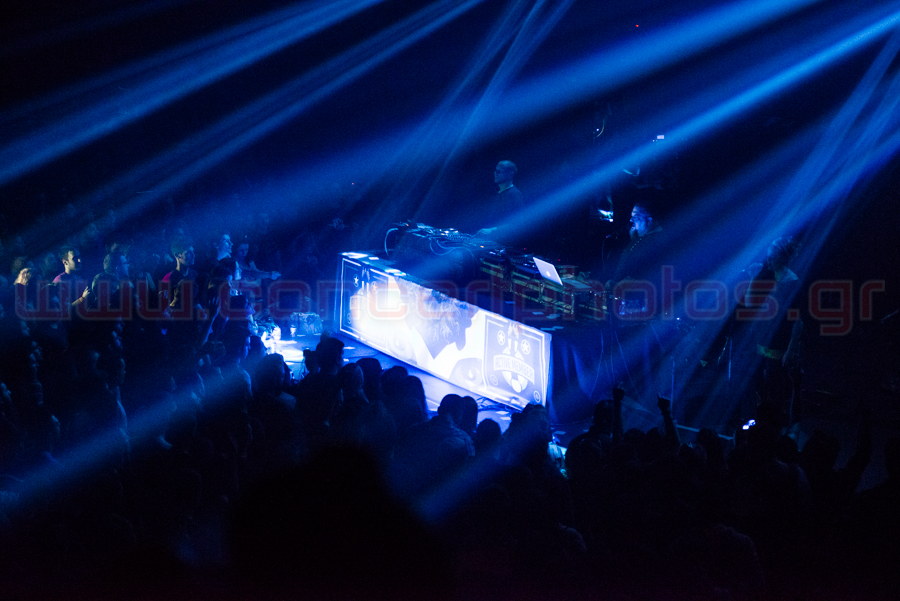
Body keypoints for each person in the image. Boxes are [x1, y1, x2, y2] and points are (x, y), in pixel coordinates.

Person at [475, 160, 524, 243]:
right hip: (495, 241)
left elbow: (518, 223)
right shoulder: (498, 194)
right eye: (495, 171)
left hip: (506, 244)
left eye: (499, 171)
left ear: (510, 174)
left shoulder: (514, 194)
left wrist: (493, 230)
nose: (495, 173)